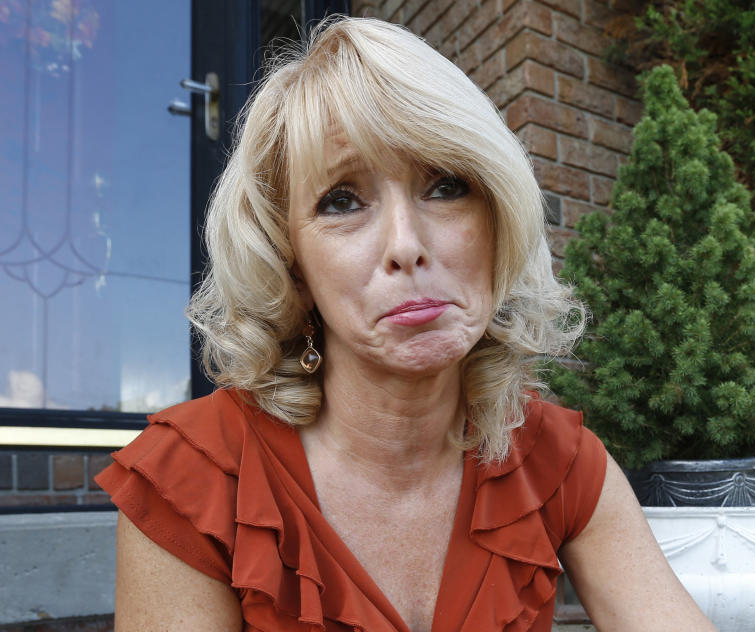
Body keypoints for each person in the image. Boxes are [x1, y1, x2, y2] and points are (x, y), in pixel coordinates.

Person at [95, 16, 716, 632]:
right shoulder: (191, 478)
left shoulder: (562, 461)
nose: (406, 244)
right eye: (342, 200)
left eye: (445, 186)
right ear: (293, 265)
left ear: (498, 216)